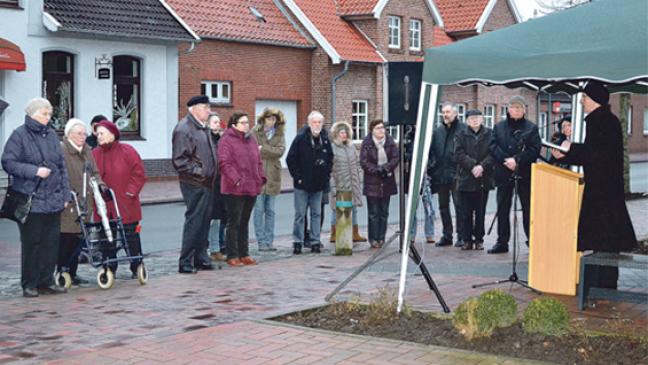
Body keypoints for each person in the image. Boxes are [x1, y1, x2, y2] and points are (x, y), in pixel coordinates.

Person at [551, 81, 637, 289]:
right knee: (603, 241)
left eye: (585, 97)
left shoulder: (603, 122)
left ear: (596, 100)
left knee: (604, 240)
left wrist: (569, 150)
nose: (581, 101)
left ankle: (603, 286)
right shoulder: (604, 120)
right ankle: (601, 285)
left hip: (603, 192)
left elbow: (595, 155)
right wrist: (569, 152)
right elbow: (594, 153)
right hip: (603, 190)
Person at [1, 98, 70, 297]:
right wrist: (34, 171)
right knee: (32, 243)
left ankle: (47, 281)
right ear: (32, 114)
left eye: (49, 114)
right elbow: (8, 162)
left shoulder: (51, 136)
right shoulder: (19, 135)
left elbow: (61, 167)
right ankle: (29, 283)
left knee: (51, 242)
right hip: (30, 199)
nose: (48, 118)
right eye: (44, 114)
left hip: (53, 200)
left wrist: (65, 194)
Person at [93, 120, 147, 276]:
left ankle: (136, 265)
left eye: (102, 133)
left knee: (130, 235)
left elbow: (138, 174)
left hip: (125, 202)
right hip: (104, 204)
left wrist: (130, 192)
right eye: (97, 134)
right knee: (106, 237)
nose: (99, 137)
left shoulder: (127, 151)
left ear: (112, 134)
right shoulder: (95, 154)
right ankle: (109, 266)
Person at [488, 95, 541, 254]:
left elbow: (535, 149)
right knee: (503, 208)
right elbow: (492, 146)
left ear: (524, 110)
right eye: (513, 107)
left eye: (519, 108)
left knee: (528, 208)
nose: (516, 110)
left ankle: (532, 240)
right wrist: (507, 160)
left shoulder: (531, 128)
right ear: (508, 109)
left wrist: (517, 160)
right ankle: (502, 242)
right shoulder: (498, 127)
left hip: (524, 174)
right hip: (503, 173)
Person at [172, 95, 217, 273]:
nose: (208, 111)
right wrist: (200, 172)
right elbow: (180, 160)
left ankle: (201, 258)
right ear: (194, 108)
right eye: (205, 107)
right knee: (194, 221)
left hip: (206, 183)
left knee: (205, 222)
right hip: (195, 182)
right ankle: (185, 261)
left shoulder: (201, 128)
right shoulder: (184, 129)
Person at [58, 118, 104, 285]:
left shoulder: (87, 151)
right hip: (70, 201)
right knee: (66, 238)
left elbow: (95, 173)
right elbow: (59, 175)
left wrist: (100, 185)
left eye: (84, 133)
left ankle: (73, 272)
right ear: (69, 134)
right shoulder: (61, 150)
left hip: (85, 201)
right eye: (79, 133)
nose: (83, 136)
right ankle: (62, 271)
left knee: (79, 238)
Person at [218, 111, 266, 267]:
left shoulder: (251, 140)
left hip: (251, 186)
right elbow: (224, 163)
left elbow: (258, 161)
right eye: (243, 123)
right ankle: (232, 254)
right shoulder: (227, 140)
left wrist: (261, 177)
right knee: (234, 222)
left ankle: (244, 253)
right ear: (234, 125)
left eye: (247, 122)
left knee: (244, 221)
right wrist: (236, 179)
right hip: (234, 188)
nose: (247, 125)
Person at [287, 111, 333, 254]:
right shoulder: (300, 139)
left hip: (318, 184)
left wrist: (326, 176)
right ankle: (298, 241)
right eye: (314, 122)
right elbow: (291, 159)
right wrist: (298, 177)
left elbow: (330, 159)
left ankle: (315, 241)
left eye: (319, 122)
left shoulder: (325, 139)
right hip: (302, 184)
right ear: (309, 123)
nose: (317, 125)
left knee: (316, 213)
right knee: (300, 214)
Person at [454, 110, 494, 251]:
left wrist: (482, 167)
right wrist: (473, 166)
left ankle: (479, 239)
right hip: (466, 177)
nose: (475, 120)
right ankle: (466, 239)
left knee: (481, 211)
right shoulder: (460, 135)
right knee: (466, 212)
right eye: (471, 118)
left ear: (482, 119)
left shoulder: (490, 134)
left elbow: (493, 153)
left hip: (484, 178)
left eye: (477, 118)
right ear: (467, 121)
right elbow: (458, 154)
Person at [428, 102, 465, 247]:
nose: (445, 115)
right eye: (443, 112)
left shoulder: (463, 130)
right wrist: (433, 166)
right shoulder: (438, 132)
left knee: (459, 206)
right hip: (441, 174)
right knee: (443, 206)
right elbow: (432, 151)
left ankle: (461, 236)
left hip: (457, 173)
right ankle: (447, 235)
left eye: (448, 112)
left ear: (455, 114)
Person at [360, 119, 399, 248]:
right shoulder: (367, 143)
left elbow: (395, 157)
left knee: (384, 212)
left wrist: (386, 168)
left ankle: (382, 237)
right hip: (372, 181)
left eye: (382, 128)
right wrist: (377, 170)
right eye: (378, 128)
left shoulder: (389, 141)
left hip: (387, 180)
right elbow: (364, 162)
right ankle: (373, 238)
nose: (381, 130)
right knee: (373, 212)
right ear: (372, 130)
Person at [252, 107, 286, 251]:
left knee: (270, 211)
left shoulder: (279, 134)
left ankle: (269, 241)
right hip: (258, 175)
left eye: (274, 119)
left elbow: (280, 152)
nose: (271, 122)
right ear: (263, 118)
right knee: (259, 210)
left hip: (273, 176)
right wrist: (266, 150)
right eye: (269, 118)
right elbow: (253, 151)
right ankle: (260, 241)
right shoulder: (255, 132)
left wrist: (263, 149)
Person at [328, 121, 365, 243]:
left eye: (345, 132)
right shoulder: (332, 148)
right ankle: (334, 232)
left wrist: (359, 176)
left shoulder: (351, 147)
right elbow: (330, 169)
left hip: (352, 182)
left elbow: (357, 162)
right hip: (340, 183)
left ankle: (354, 233)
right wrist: (333, 186)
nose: (343, 135)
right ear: (336, 134)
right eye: (340, 133)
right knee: (337, 209)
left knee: (353, 208)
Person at [404, 126, 436, 244]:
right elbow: (404, 156)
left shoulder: (429, 137)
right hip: (412, 177)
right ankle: (411, 234)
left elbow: (433, 155)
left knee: (429, 208)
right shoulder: (407, 137)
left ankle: (430, 233)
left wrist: (429, 166)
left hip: (425, 176)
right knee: (412, 208)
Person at [207, 113, 226, 261]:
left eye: (218, 122)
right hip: (208, 183)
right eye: (214, 122)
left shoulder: (222, 141)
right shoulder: (205, 140)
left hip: (220, 183)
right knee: (208, 219)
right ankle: (204, 248)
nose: (217, 124)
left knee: (218, 218)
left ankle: (215, 249)